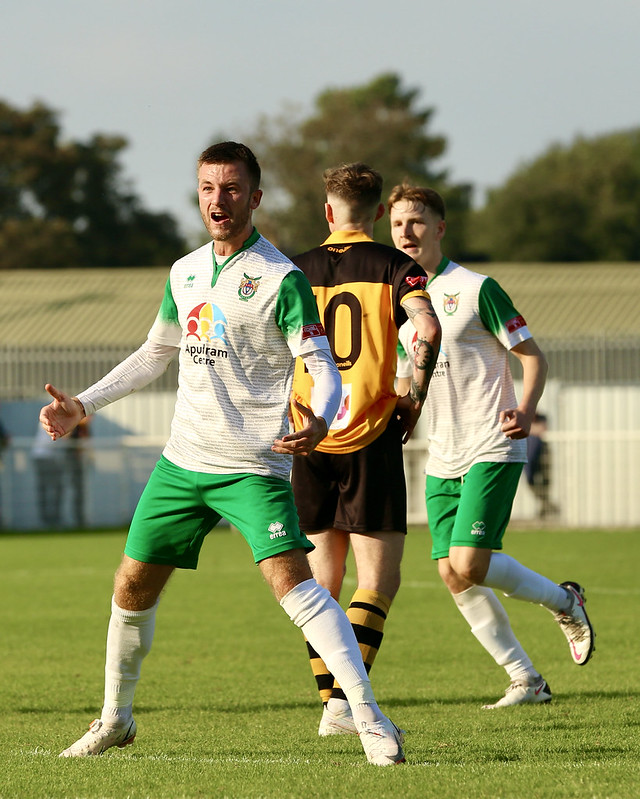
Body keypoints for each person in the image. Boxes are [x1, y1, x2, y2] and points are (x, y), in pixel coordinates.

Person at [39, 142, 405, 766]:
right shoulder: (183, 272)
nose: (218, 199)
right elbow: (156, 352)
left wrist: (321, 415)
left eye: (232, 189)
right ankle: (114, 719)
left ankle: (367, 717)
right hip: (182, 463)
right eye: (208, 187)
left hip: (251, 465)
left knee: (295, 585)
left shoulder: (281, 277)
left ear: (254, 198)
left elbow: (319, 361)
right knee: (130, 586)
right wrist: (84, 405)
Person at [389, 183, 595, 708]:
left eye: (415, 221)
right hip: (442, 452)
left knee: (471, 562)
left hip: (492, 442)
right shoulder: (400, 302)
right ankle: (525, 678)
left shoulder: (477, 288)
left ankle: (564, 601)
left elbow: (532, 357)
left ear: (439, 227)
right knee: (449, 571)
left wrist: (525, 411)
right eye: (395, 225)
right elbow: (405, 376)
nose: (405, 232)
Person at [289, 163, 441, 735]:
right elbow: (424, 330)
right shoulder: (396, 267)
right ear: (378, 214)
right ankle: (340, 706)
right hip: (369, 433)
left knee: (318, 585)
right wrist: (414, 396)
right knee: (378, 581)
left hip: (308, 432)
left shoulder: (292, 270)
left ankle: (332, 704)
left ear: (328, 212)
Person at [524, 413, 560, 519]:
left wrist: (528, 428)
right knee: (530, 481)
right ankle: (547, 504)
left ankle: (545, 508)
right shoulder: (523, 415)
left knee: (545, 482)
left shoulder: (542, 417)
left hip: (543, 454)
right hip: (529, 455)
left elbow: (541, 430)